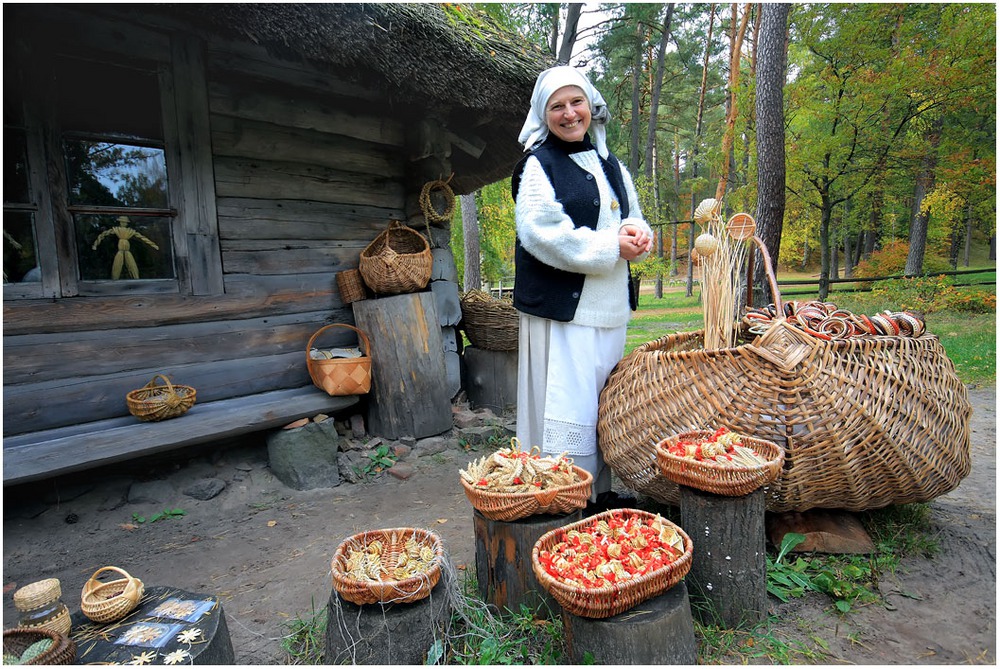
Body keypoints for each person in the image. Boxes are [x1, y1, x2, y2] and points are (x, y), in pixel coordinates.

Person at [511, 65, 653, 513]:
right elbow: (541, 232)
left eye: (577, 103)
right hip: (564, 310)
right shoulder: (537, 165)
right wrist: (612, 245)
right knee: (567, 406)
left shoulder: (610, 162)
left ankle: (599, 492)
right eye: (557, 106)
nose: (570, 114)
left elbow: (631, 216)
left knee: (603, 406)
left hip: (609, 308)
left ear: (591, 106)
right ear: (543, 113)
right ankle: (563, 497)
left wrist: (639, 236)